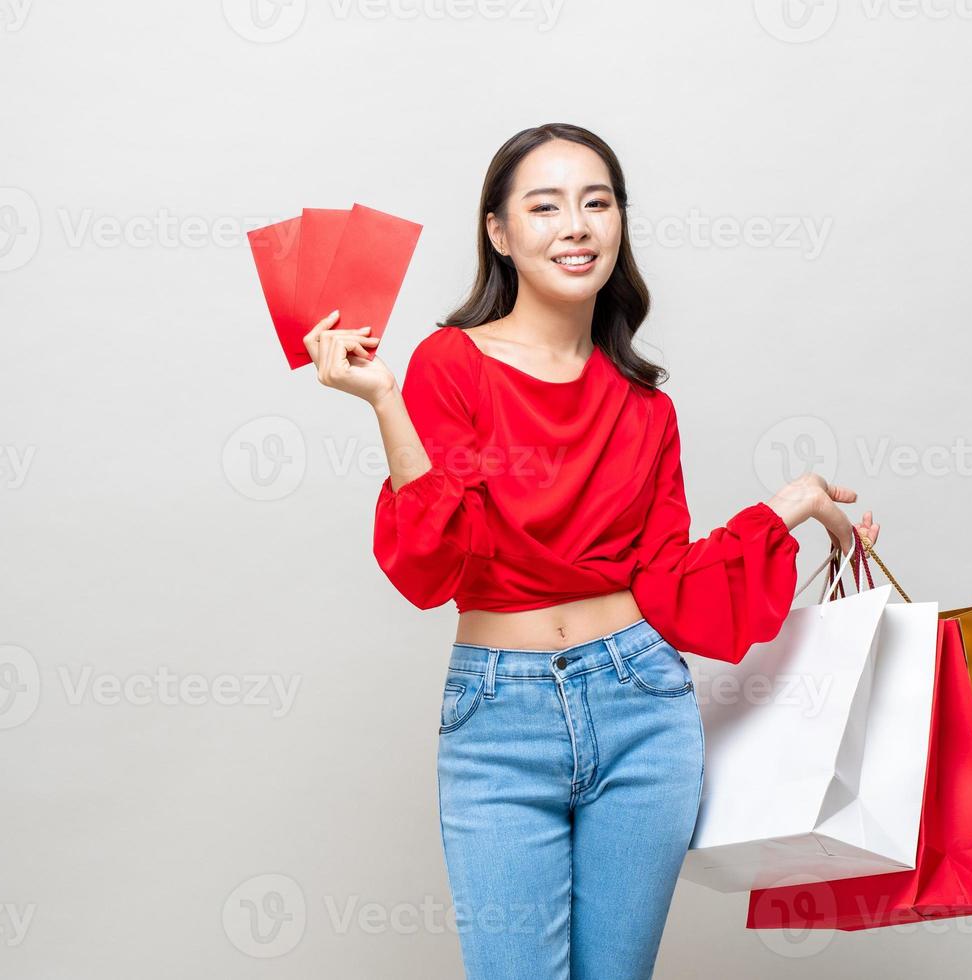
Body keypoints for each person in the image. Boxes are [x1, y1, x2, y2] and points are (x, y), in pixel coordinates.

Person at [302, 122, 879, 980]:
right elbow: (433, 566)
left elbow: (670, 586)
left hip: (643, 709)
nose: (575, 225)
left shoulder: (644, 404)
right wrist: (385, 401)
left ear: (619, 224)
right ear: (499, 232)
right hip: (500, 719)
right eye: (545, 206)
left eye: (596, 203)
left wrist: (786, 507)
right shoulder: (447, 365)